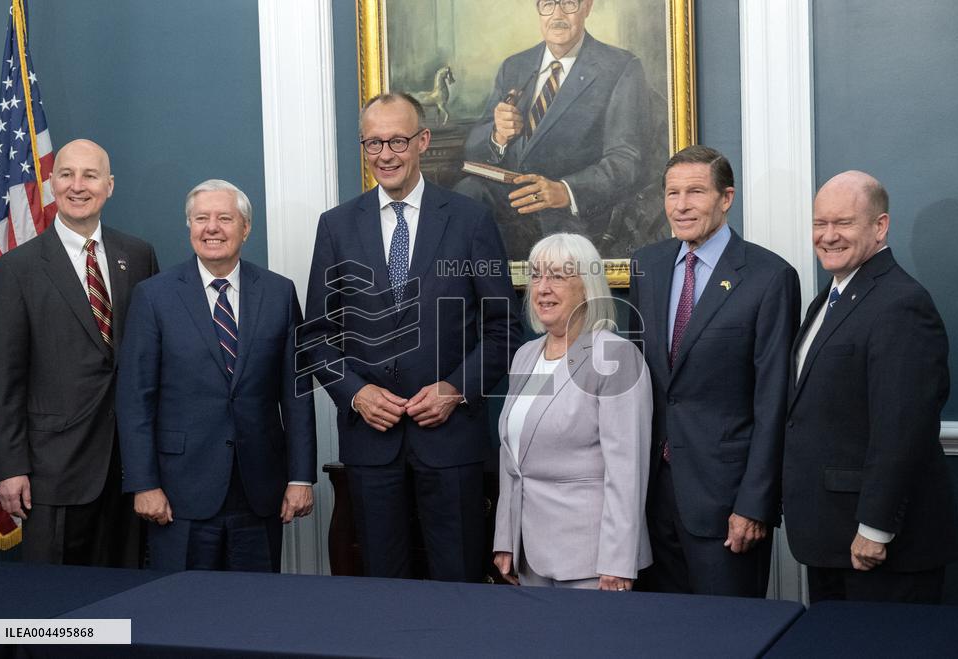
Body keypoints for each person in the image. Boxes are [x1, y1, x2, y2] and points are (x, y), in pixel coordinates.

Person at [301, 92, 521, 582]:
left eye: (397, 140)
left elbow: (503, 327)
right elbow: (316, 336)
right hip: (371, 444)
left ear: (421, 141)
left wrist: (456, 388)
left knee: (459, 584)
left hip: (452, 442)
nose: (386, 154)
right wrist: (355, 393)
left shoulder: (470, 220)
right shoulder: (336, 227)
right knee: (383, 589)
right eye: (373, 143)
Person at [116, 179, 316, 572]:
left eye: (225, 218)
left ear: (245, 228)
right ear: (188, 226)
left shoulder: (278, 293)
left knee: (255, 614)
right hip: (178, 493)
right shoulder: (154, 296)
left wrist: (301, 477)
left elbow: (297, 394)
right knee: (182, 612)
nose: (212, 228)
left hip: (259, 490)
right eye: (201, 218)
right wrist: (144, 483)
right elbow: (135, 399)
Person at [628, 145, 800, 597]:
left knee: (727, 636)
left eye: (695, 192)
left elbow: (774, 398)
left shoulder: (769, 276)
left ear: (726, 198)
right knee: (660, 635)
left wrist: (755, 504)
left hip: (726, 504)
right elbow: (637, 380)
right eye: (672, 192)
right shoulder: (647, 264)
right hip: (651, 498)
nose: (680, 205)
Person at [783, 170, 958, 603]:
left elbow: (903, 428)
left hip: (879, 547)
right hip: (830, 537)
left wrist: (874, 528)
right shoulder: (830, 298)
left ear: (879, 227)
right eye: (819, 224)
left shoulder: (901, 303)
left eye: (842, 223)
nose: (827, 236)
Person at [0, 139, 159, 566]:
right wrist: (10, 467)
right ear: (52, 183)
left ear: (110, 186)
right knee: (56, 612)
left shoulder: (137, 256)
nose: (77, 186)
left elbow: (149, 361)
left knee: (124, 603)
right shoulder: (16, 269)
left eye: (90, 175)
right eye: (66, 174)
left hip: (127, 469)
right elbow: (5, 379)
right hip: (52, 472)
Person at [493, 233, 652, 590]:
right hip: (530, 554)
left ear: (587, 288)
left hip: (592, 561)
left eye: (559, 276)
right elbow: (513, 455)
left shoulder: (613, 357)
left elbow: (627, 469)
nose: (543, 288)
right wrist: (506, 538)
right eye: (537, 275)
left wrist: (618, 559)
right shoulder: (527, 355)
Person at [458, 0, 664, 260]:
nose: (557, 15)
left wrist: (566, 191)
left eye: (568, 3)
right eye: (548, 4)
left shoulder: (620, 67)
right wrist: (497, 135)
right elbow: (473, 148)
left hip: (570, 215)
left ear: (587, 7)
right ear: (538, 9)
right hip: (510, 204)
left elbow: (627, 161)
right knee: (465, 197)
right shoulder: (515, 65)